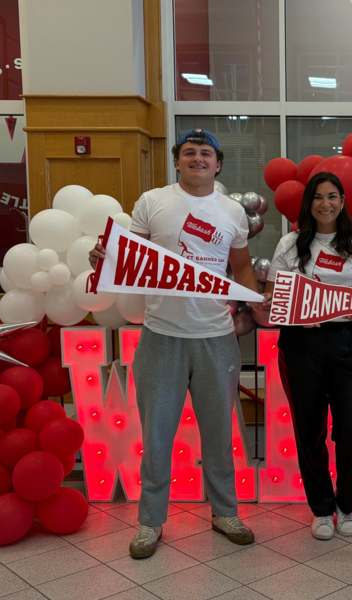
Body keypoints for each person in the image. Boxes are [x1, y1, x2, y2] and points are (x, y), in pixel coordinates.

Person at [90, 128, 265, 558]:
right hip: (161, 335)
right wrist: (105, 258)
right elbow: (132, 256)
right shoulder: (153, 202)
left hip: (217, 338)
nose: (198, 159)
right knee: (158, 435)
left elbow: (240, 268)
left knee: (219, 436)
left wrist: (253, 304)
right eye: (190, 153)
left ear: (218, 163)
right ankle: (150, 522)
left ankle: (225, 513)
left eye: (206, 153)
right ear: (178, 160)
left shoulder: (231, 211)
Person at [265, 171, 352, 540]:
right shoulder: (290, 243)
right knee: (309, 431)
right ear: (308, 203)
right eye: (317, 197)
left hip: (345, 342)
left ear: (342, 201)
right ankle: (322, 509)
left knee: (350, 430)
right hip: (301, 346)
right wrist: (295, 311)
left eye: (332, 196)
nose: (325, 203)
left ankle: (347, 503)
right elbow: (275, 295)